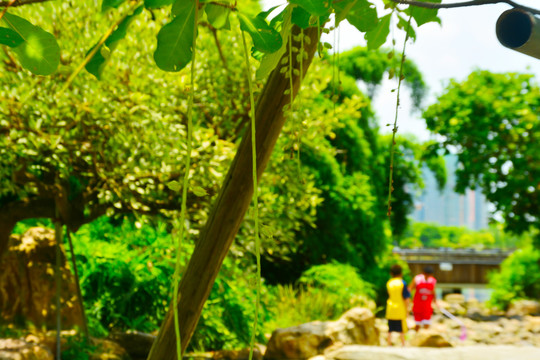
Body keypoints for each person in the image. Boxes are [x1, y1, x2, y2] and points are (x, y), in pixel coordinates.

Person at [386, 264, 410, 346]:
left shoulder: (389, 283)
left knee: (390, 328)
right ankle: (403, 344)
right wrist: (407, 309)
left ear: (391, 273)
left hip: (390, 308)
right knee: (401, 328)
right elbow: (406, 297)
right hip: (400, 308)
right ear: (401, 273)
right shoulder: (402, 283)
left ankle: (388, 343)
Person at [409, 265, 438, 331]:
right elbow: (410, 289)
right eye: (426, 275)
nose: (427, 276)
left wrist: (435, 301)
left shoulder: (433, 280)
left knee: (427, 323)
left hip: (427, 305)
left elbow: (433, 292)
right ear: (423, 273)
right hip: (417, 304)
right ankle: (417, 337)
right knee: (417, 323)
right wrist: (409, 299)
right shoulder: (417, 279)